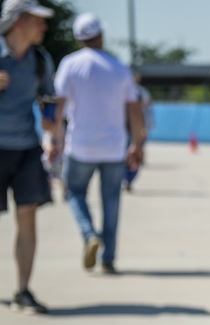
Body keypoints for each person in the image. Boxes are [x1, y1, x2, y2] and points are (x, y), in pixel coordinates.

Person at [53, 12, 145, 275]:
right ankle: (108, 257)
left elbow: (57, 107)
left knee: (74, 191)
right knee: (111, 202)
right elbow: (135, 111)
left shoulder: (70, 65)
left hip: (80, 145)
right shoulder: (119, 68)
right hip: (114, 147)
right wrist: (137, 144)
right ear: (101, 35)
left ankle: (89, 233)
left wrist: (54, 140)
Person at [0, 0, 56, 313]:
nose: (44, 27)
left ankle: (23, 289)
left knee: (28, 217)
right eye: (38, 20)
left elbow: (49, 97)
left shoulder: (39, 59)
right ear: (20, 21)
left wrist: (51, 125)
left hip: (26, 148)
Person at [123, 70, 154, 192]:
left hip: (136, 128)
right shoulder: (121, 91)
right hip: (123, 129)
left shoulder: (142, 92)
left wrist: (145, 126)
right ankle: (125, 178)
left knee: (135, 155)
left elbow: (145, 111)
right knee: (123, 156)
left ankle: (129, 179)